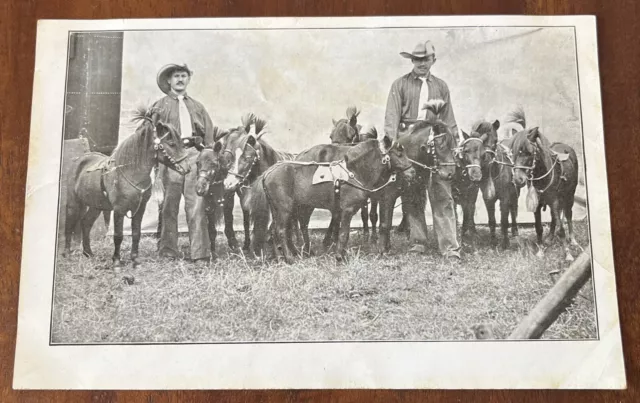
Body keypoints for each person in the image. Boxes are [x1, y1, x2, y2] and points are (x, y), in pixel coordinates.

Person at [383, 40, 461, 260]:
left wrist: (453, 144)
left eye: (425, 60)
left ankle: (449, 247)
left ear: (433, 61)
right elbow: (391, 117)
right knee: (412, 195)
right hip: (409, 145)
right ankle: (418, 243)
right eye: (417, 60)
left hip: (435, 144)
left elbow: (448, 119)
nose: (421, 64)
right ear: (412, 61)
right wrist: (393, 146)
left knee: (442, 194)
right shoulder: (399, 85)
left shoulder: (441, 86)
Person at [153, 63, 215, 265]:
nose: (180, 80)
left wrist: (205, 156)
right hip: (169, 158)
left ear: (188, 79)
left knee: (196, 205)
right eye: (176, 76)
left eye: (184, 76)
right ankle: (168, 250)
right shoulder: (159, 106)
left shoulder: (197, 107)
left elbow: (209, 137)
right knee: (169, 206)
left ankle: (199, 254)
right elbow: (150, 135)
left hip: (193, 155)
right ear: (169, 81)